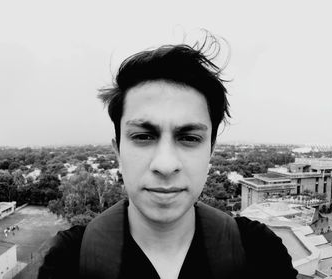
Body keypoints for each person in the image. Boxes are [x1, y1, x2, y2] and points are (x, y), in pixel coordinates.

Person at [38, 34, 298, 279]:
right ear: (117, 151)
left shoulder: (258, 251)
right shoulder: (69, 261)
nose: (165, 165)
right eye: (143, 136)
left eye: (189, 138)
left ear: (211, 150)